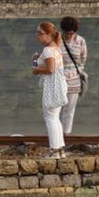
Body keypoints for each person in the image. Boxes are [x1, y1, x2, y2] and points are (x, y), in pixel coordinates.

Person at [32, 22, 68, 157]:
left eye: (40, 33)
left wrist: (36, 71)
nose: (37, 36)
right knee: (55, 117)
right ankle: (60, 150)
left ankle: (54, 151)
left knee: (50, 118)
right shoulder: (56, 47)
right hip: (59, 84)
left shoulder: (48, 50)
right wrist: (36, 60)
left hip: (52, 86)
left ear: (48, 35)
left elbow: (50, 69)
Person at [58, 17, 88, 135]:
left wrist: (76, 72)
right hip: (59, 77)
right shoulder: (57, 40)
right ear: (63, 30)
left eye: (72, 33)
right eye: (67, 33)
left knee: (69, 109)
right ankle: (56, 134)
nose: (69, 35)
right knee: (56, 109)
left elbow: (83, 60)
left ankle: (67, 134)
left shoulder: (81, 41)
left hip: (74, 79)